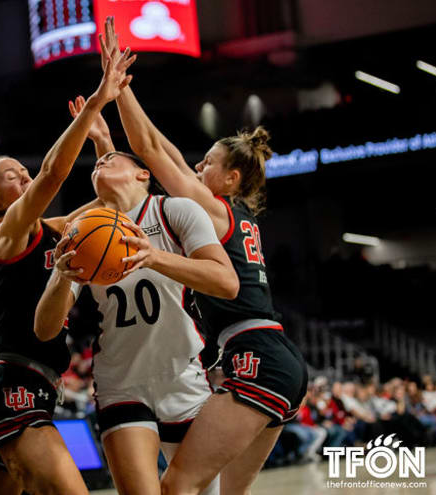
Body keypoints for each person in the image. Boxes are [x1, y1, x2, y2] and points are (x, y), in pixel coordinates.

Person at [99, 17, 309, 494]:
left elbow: (151, 150)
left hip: (254, 353)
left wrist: (120, 86)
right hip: (278, 357)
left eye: (207, 163)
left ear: (231, 179)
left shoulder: (214, 212)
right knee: (226, 492)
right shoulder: (234, 218)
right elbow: (165, 152)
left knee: (178, 486)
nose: (196, 167)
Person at [0, 45, 136, 495]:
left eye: (22, 170)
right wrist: (98, 100)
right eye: (10, 176)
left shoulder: (48, 228)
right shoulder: (5, 233)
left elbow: (114, 203)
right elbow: (53, 175)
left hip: (37, 385)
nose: (22, 177)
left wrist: (103, 142)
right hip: (13, 387)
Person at [35, 87, 239, 495]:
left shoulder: (174, 211)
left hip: (183, 375)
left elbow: (226, 282)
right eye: (97, 164)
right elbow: (43, 329)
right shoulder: (84, 234)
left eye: (111, 159)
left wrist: (154, 257)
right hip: (121, 380)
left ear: (143, 173)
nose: (100, 165)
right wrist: (60, 275)